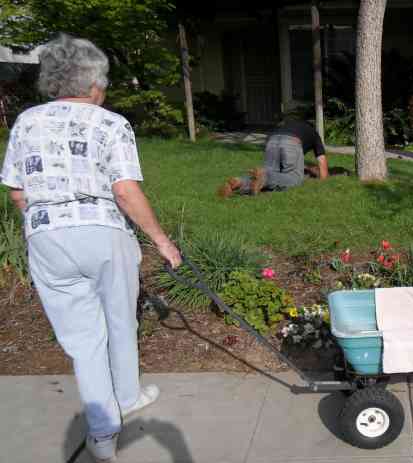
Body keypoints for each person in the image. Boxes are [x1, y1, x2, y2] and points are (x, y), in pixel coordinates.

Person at [0, 34, 182, 462]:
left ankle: (103, 434)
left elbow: (16, 192)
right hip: (103, 232)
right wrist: (162, 241)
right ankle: (129, 394)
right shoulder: (110, 123)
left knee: (84, 341)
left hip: (45, 236)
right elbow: (124, 191)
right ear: (95, 83)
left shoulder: (26, 121)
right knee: (120, 319)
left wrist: (47, 225)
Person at [218, 119, 329, 197]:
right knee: (294, 178)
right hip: (292, 142)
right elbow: (322, 163)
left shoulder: (292, 125)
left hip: (272, 140)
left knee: (268, 173)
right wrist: (323, 180)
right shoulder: (314, 134)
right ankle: (266, 177)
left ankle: (239, 182)